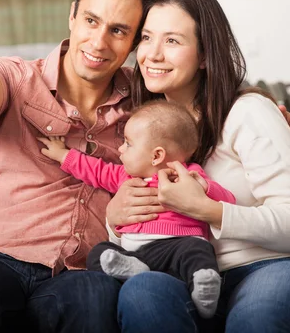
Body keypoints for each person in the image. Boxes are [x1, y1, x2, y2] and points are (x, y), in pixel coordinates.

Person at [0, 0, 290, 332]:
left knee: (96, 303)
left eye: (121, 31)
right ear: (72, 15)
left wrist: (271, 110)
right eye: (91, 21)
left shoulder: (144, 103)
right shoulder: (14, 79)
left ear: (131, 40)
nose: (100, 43)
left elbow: (202, 94)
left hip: (83, 270)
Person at [106, 0, 290, 332]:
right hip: (191, 279)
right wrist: (114, 221)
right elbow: (138, 232)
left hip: (275, 268)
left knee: (255, 319)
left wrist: (206, 209)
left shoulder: (248, 113)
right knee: (142, 292)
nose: (152, 54)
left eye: (172, 40)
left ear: (204, 55)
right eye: (146, 37)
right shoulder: (144, 128)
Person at [38, 99, 236, 318]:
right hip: (135, 253)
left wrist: (205, 187)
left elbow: (228, 200)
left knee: (198, 250)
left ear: (156, 156)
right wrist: (63, 155)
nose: (120, 148)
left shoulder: (189, 175)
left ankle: (204, 285)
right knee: (98, 252)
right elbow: (96, 170)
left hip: (178, 245)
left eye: (128, 143)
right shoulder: (124, 176)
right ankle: (132, 270)